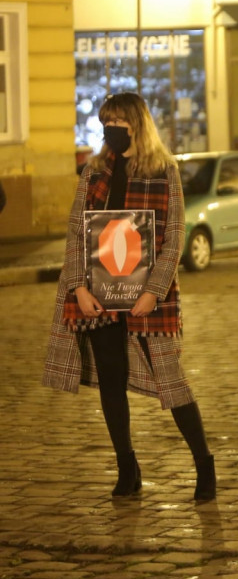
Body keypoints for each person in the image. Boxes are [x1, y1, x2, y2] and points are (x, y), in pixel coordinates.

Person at [43, 92, 216, 502]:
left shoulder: (164, 171)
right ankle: (127, 467)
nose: (110, 130)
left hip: (147, 296)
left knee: (173, 383)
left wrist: (153, 292)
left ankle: (204, 463)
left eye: (117, 122)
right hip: (99, 294)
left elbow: (174, 239)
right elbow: (75, 234)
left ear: (137, 123)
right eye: (105, 122)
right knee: (111, 383)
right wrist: (79, 288)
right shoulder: (94, 171)